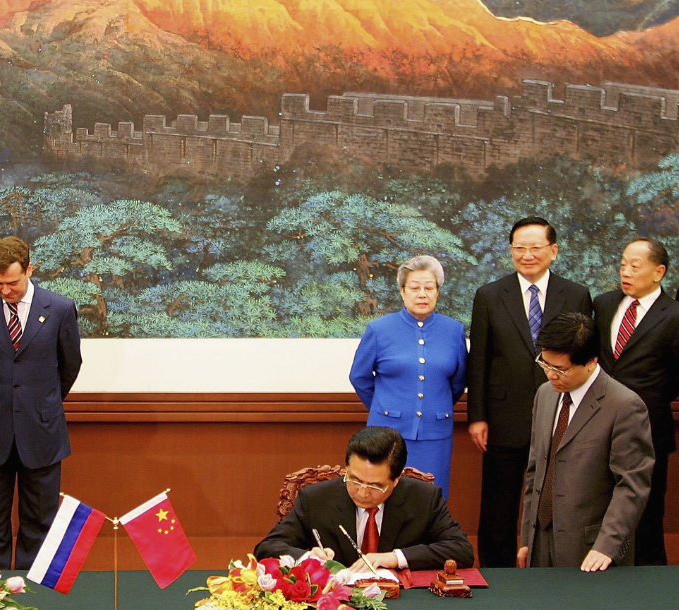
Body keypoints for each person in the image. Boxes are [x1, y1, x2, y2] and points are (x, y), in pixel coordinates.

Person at [467, 216, 593, 567]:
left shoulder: (577, 294)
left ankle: (552, 569)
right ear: (510, 251)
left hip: (562, 412)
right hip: (505, 414)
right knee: (499, 500)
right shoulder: (490, 295)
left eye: (535, 247)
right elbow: (479, 361)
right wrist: (477, 416)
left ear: (553, 251)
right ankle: (497, 572)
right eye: (519, 248)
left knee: (558, 494)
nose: (527, 255)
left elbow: (585, 361)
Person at [0, 236, 82, 569]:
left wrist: (42, 403)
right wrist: (0, 398)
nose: (5, 290)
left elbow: (69, 364)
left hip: (42, 430)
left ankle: (35, 590)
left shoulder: (59, 309)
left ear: (30, 269)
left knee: (40, 519)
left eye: (12, 282)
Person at [518, 312, 653, 570]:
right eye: (545, 364)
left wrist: (608, 545)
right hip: (540, 541)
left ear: (591, 361)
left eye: (561, 369)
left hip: (591, 549)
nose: (550, 375)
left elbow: (632, 486)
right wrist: (527, 537)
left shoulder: (624, 406)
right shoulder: (545, 396)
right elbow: (535, 470)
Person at [254, 426, 474, 571]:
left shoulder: (423, 497)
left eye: (376, 485)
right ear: (347, 468)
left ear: (396, 479)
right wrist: (306, 557)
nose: (362, 492)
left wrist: (394, 558)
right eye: (355, 479)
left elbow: (461, 550)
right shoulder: (315, 498)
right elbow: (267, 547)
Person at [593, 237, 679, 565]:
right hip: (599, 428)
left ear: (658, 272)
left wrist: (645, 402)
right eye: (623, 264)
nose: (625, 272)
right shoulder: (603, 305)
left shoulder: (674, 315)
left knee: (646, 516)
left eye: (635, 266)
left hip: (648, 432)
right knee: (601, 512)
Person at [349, 255, 466, 497]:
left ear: (437, 292)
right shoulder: (380, 329)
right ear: (402, 291)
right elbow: (359, 376)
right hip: (387, 433)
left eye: (429, 287)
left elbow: (458, 381)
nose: (421, 294)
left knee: (432, 499)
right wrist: (385, 407)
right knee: (385, 498)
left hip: (436, 434)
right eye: (414, 287)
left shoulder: (453, 331)